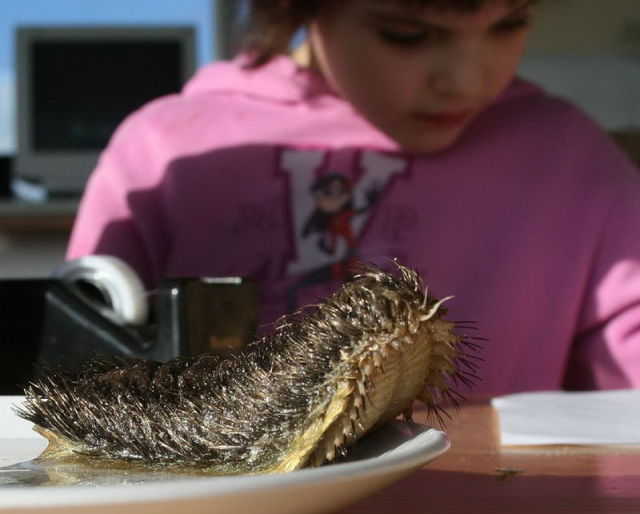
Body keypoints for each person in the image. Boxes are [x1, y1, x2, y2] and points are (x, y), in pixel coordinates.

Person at [66, 0, 640, 398]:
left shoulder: (567, 156)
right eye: (407, 35)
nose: (467, 80)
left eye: (510, 23)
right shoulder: (166, 147)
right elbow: (77, 376)